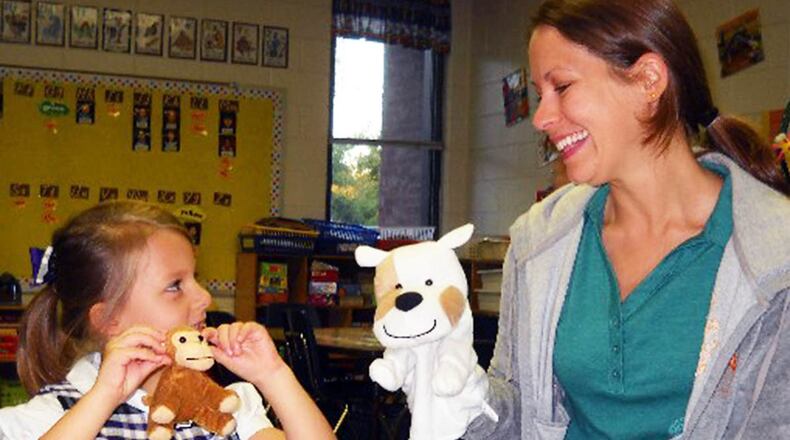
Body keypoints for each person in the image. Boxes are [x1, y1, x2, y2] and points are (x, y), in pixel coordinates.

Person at [460, 0, 790, 439]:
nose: (541, 118)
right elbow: (519, 409)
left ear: (648, 80)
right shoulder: (540, 243)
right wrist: (456, 393)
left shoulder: (773, 262)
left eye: (562, 86)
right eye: (541, 96)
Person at [0, 201, 335, 440]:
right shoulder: (58, 414)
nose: (205, 297)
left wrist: (274, 376)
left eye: (195, 278)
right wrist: (104, 398)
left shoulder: (224, 405)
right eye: (175, 285)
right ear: (110, 319)